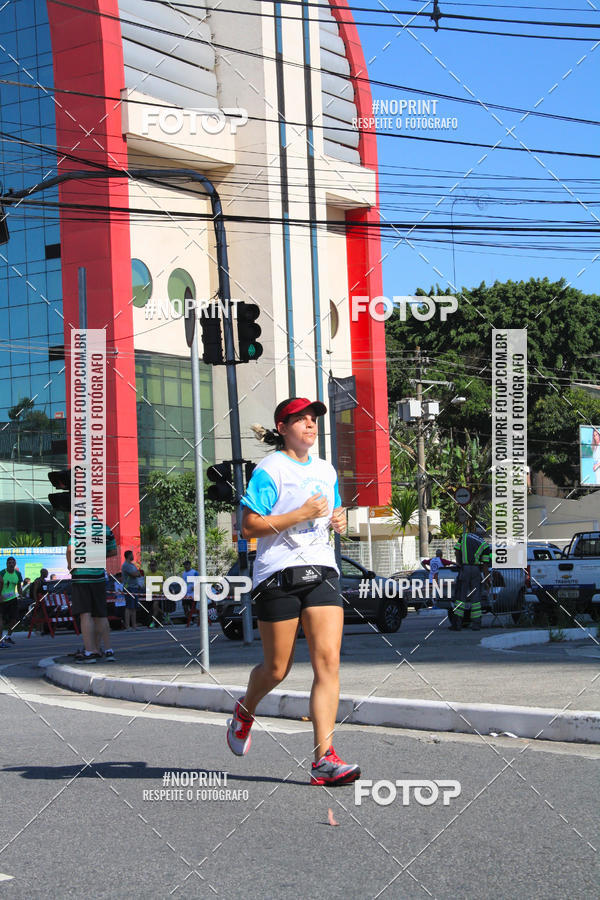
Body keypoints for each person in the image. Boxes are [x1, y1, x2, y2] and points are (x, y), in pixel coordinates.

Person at [226, 397, 360, 787]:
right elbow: (248, 526)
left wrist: (339, 518)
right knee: (277, 669)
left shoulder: (325, 469)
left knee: (328, 662)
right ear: (282, 428)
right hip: (277, 575)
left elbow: (333, 513)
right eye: (300, 420)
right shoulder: (270, 470)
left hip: (321, 570)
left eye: (313, 420)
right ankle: (245, 710)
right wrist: (299, 515)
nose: (310, 425)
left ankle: (324, 758)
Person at [66, 521, 118, 661]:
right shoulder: (106, 529)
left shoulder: (78, 530)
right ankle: (108, 650)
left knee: (85, 615)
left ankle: (90, 651)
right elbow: (114, 551)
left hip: (81, 577)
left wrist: (71, 565)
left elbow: (70, 549)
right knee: (101, 615)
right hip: (99, 577)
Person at [450, 530, 492, 631]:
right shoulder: (485, 545)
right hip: (476, 570)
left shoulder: (464, 537)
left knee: (460, 597)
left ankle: (457, 624)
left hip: (465, 569)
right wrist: (487, 581)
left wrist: (459, 563)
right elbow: (485, 566)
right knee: (476, 599)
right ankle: (476, 625)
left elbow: (456, 551)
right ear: (483, 534)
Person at [0, 557, 23, 647]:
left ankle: (8, 636)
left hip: (12, 599)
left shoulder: (17, 574)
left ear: (15, 564)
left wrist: (21, 594)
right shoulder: (2, 573)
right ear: (6, 564)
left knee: (15, 620)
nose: (11, 564)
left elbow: (19, 586)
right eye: (9, 563)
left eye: (13, 562)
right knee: (0, 620)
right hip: (2, 599)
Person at [121, 550, 143, 630]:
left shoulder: (132, 565)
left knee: (134, 607)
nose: (133, 556)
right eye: (132, 554)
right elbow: (135, 574)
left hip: (134, 587)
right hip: (129, 588)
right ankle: (127, 626)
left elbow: (138, 573)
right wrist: (137, 574)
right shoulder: (126, 565)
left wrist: (137, 574)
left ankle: (134, 626)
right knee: (128, 607)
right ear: (128, 555)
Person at [30, 568, 49, 635]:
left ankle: (42, 629)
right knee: (38, 615)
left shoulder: (44, 580)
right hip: (38, 599)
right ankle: (37, 629)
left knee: (43, 615)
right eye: (46, 573)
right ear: (42, 573)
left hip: (44, 600)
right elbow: (34, 591)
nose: (47, 574)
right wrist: (36, 601)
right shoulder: (38, 581)